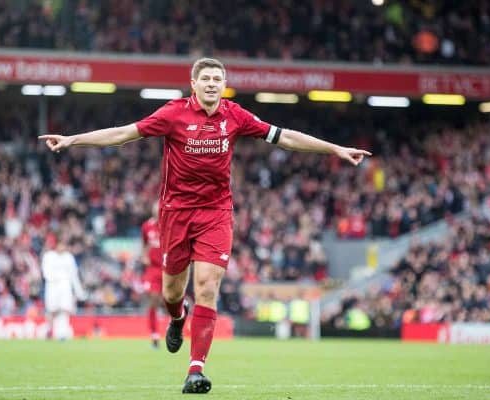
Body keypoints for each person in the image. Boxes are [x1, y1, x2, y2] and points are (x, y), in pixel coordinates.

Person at [39, 57, 371, 393]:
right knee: (171, 293)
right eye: (206, 78)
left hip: (216, 214)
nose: (212, 83)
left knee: (208, 287)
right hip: (175, 215)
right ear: (193, 83)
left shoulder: (235, 115)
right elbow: (124, 133)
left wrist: (335, 149)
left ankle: (195, 370)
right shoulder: (173, 114)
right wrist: (72, 140)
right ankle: (177, 317)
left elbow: (284, 137)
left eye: (218, 78)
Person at [41, 235, 86, 340]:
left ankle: (62, 333)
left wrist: (79, 291)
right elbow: (46, 273)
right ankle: (49, 330)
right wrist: (57, 278)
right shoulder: (49, 256)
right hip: (52, 286)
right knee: (52, 310)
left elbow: (74, 275)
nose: (62, 247)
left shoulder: (68, 257)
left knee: (65, 309)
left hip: (65, 286)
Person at [141, 202, 163, 348]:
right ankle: (154, 335)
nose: (158, 211)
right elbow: (144, 244)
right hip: (153, 269)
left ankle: (175, 329)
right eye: (156, 208)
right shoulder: (146, 226)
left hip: (168, 269)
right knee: (153, 298)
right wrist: (144, 256)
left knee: (170, 301)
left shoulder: (170, 226)